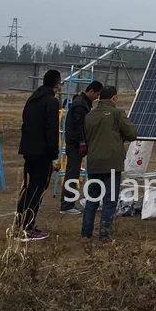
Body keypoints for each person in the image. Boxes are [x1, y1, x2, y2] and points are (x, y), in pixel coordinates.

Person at [81, 86, 137, 244]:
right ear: (114, 98)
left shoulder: (89, 116)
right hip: (111, 163)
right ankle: (104, 237)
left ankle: (85, 235)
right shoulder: (117, 114)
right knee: (109, 201)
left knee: (92, 199)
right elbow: (132, 133)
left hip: (93, 164)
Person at [16, 69, 61, 241]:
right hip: (43, 154)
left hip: (28, 151)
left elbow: (25, 122)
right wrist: (54, 155)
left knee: (27, 189)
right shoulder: (51, 101)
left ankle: (19, 225)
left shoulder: (32, 99)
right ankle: (28, 228)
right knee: (37, 190)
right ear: (57, 84)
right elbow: (52, 130)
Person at [60, 80, 103, 214]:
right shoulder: (80, 105)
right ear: (91, 91)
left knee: (74, 173)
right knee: (72, 174)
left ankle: (69, 203)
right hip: (75, 145)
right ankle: (67, 205)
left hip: (76, 144)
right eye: (97, 94)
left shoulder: (82, 102)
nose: (97, 98)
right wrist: (82, 143)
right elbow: (79, 126)